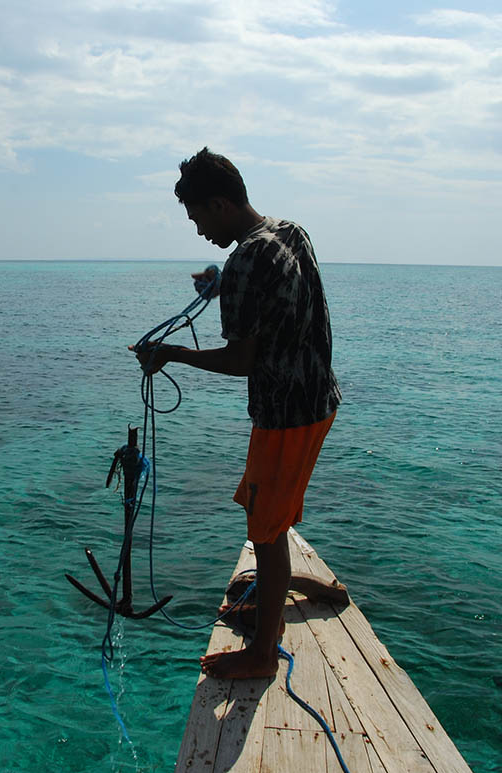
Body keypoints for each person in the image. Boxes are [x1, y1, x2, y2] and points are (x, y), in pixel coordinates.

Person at [135, 147, 342, 679]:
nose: (198, 229)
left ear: (221, 203)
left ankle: (261, 655)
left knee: (266, 530)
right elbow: (272, 279)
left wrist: (171, 354)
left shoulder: (245, 260)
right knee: (273, 505)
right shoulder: (287, 231)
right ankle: (300, 583)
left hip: (285, 413)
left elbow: (241, 361)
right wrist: (222, 279)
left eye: (199, 216)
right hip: (319, 400)